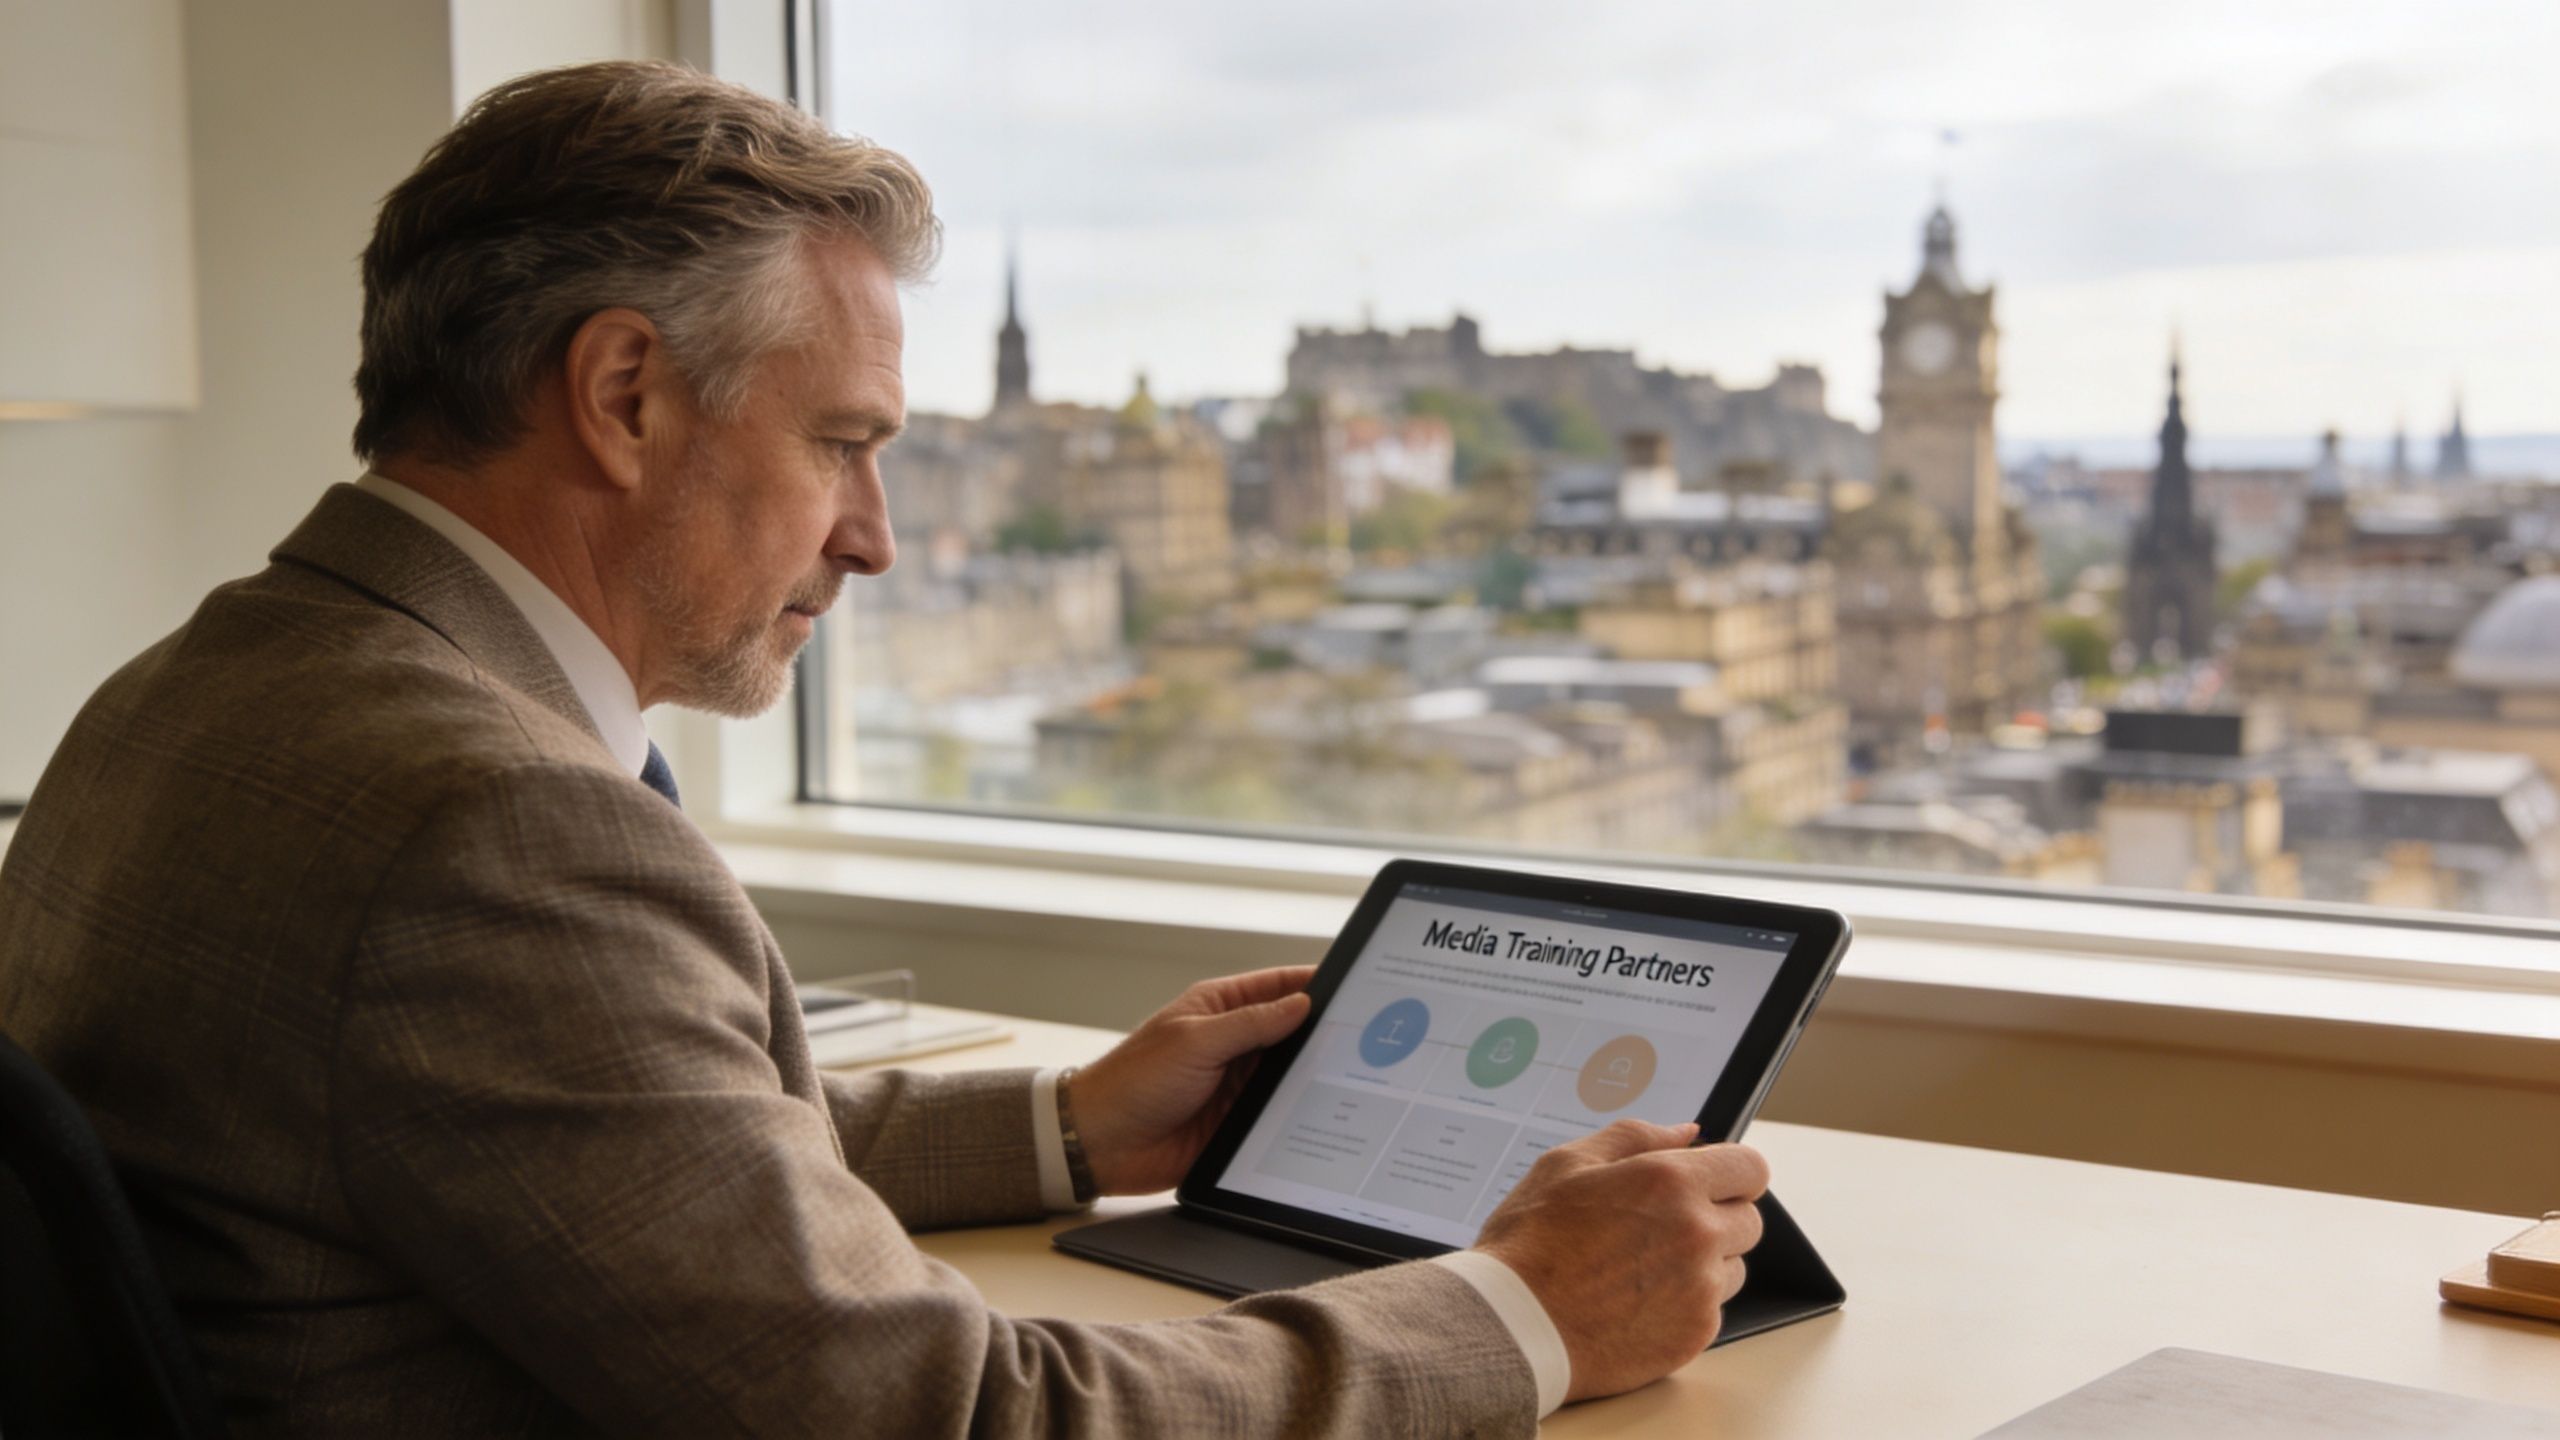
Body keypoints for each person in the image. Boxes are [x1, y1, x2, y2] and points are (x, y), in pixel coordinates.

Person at [0, 61, 1768, 1436]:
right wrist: (1528, 1310)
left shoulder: (199, 687)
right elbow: (953, 1420)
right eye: (843, 442)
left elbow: (605, 1162)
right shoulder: (499, 828)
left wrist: (1068, 1126)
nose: (876, 537)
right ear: (622, 395)